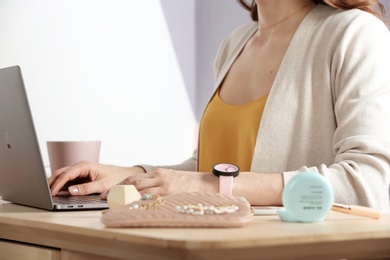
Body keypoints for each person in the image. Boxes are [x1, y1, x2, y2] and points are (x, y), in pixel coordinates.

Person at [49, 0, 390, 211]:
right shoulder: (235, 44)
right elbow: (211, 165)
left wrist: (210, 185)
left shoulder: (355, 34)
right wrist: (132, 176)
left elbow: (369, 183)